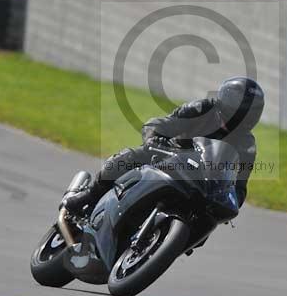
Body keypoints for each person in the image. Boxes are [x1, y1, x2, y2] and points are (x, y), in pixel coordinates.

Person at [63, 77, 265, 214]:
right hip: (169, 157)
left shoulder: (246, 145)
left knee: (209, 219)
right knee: (130, 157)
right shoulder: (202, 108)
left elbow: (239, 186)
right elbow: (161, 124)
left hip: (201, 184)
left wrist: (232, 203)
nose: (241, 114)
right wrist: (154, 139)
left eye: (248, 111)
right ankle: (89, 195)